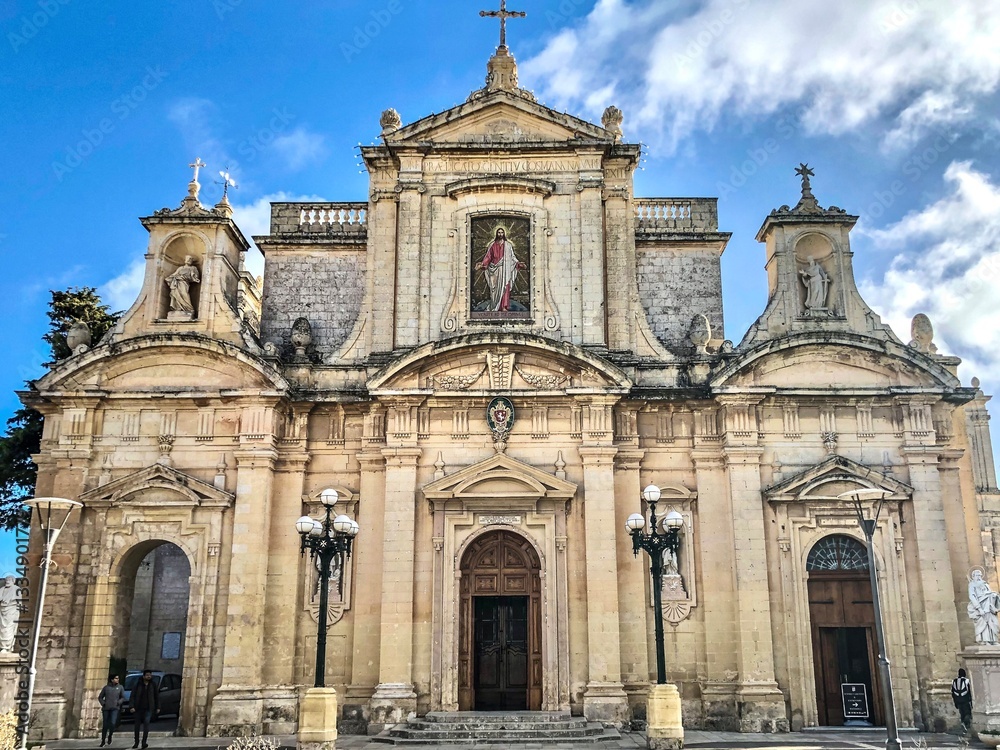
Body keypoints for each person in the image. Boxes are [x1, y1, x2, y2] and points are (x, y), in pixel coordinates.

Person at [479, 227, 526, 312]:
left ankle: (504, 306)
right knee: (495, 289)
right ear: (496, 234)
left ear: (504, 234)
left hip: (505, 269)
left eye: (502, 232)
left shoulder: (508, 245)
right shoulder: (492, 245)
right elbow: (488, 257)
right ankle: (495, 305)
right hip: (495, 270)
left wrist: (518, 263)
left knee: (505, 287)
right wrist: (482, 264)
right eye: (499, 232)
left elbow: (512, 257)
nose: (500, 234)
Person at [968, 569, 1000, 644]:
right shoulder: (972, 584)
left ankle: (993, 640)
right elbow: (972, 596)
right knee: (983, 623)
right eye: (977, 575)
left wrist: (994, 595)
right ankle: (985, 641)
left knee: (993, 622)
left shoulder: (985, 584)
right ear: (973, 576)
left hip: (989, 606)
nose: (979, 577)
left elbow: (990, 593)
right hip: (981, 606)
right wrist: (979, 608)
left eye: (980, 575)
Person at [130, 670, 159, 749]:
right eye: (147, 675)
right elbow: (133, 695)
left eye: (150, 675)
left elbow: (156, 696)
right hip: (138, 708)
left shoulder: (153, 685)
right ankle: (136, 742)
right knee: (137, 726)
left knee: (146, 725)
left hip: (148, 708)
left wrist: (158, 707)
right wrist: (131, 706)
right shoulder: (138, 684)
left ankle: (144, 742)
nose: (149, 676)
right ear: (143, 676)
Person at [98, 674, 124, 747]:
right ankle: (103, 740)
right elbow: (100, 697)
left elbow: (122, 697)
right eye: (116, 678)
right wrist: (103, 703)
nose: (117, 679)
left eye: (118, 678)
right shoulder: (106, 688)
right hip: (106, 708)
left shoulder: (120, 687)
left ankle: (110, 735)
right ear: (112, 680)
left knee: (112, 723)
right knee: (105, 725)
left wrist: (119, 702)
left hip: (115, 708)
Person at [0, 574, 21, 652]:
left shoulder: (16, 589)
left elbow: (19, 602)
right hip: (3, 610)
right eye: (6, 580)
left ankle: (6, 647)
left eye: (9, 580)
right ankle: (3, 646)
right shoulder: (2, 589)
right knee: (2, 628)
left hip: (12, 610)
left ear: (13, 581)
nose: (7, 581)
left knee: (8, 628)